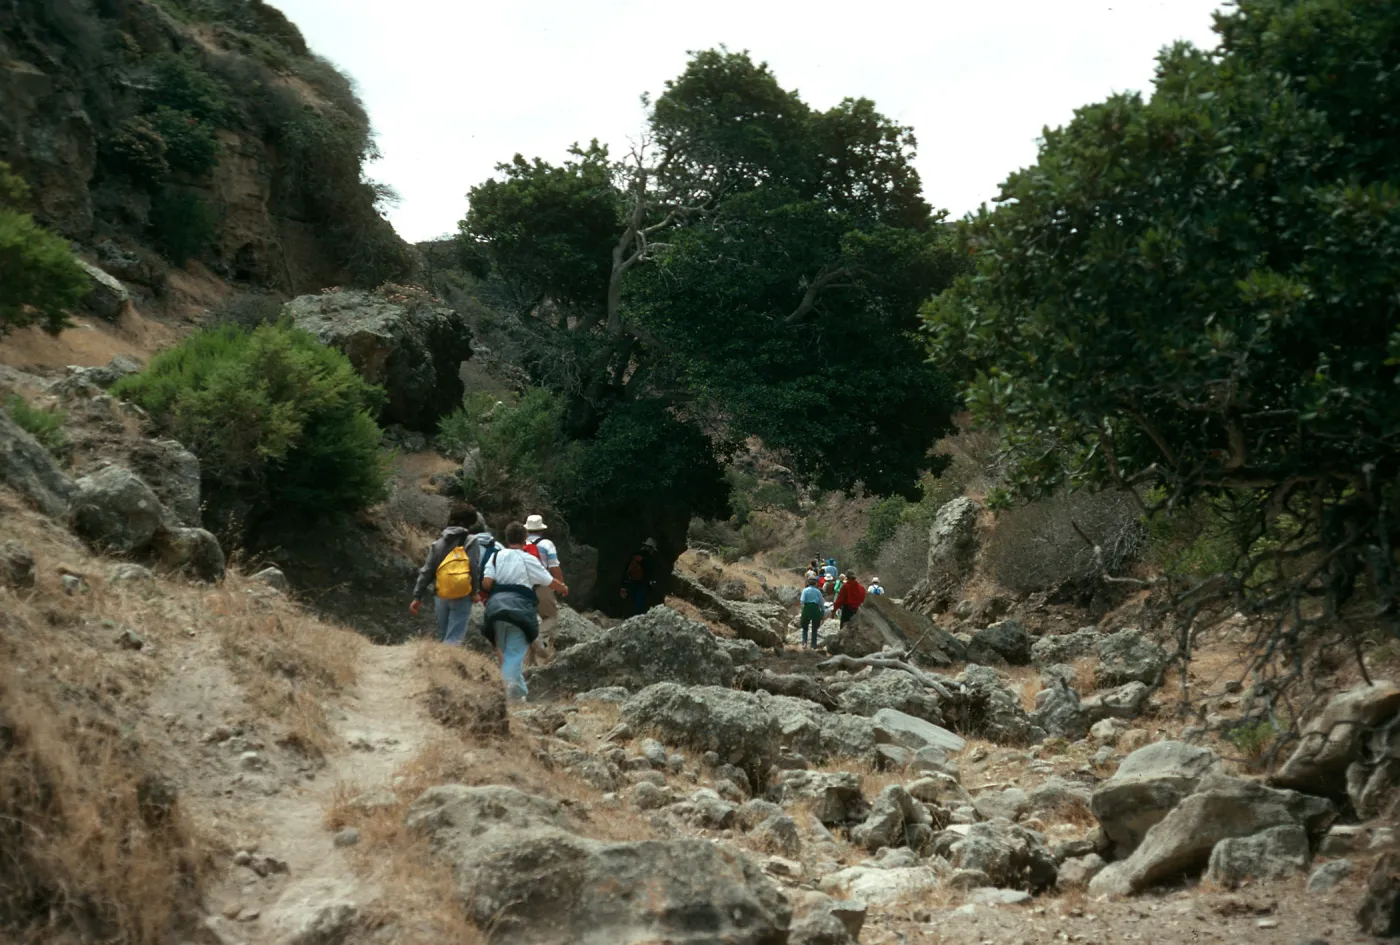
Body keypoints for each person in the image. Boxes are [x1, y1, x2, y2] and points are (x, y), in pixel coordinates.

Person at [481, 522, 567, 701]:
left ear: (507, 538)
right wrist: (562, 588)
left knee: (505, 653)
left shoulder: (496, 557)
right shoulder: (528, 559)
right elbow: (547, 580)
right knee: (514, 654)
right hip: (518, 609)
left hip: (495, 608)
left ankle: (519, 694)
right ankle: (505, 694)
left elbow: (486, 582)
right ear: (524, 539)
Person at [410, 505, 486, 646]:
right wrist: (475, 592)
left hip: (441, 593)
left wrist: (417, 596)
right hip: (462, 593)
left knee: (443, 634)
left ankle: (440, 663)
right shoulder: (471, 541)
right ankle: (447, 664)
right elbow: (474, 568)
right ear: (471, 522)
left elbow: (427, 571)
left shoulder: (438, 544)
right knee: (455, 636)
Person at [523, 513, 565, 662]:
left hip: (522, 588)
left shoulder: (520, 543)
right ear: (541, 530)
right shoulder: (547, 544)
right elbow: (554, 567)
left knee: (528, 624)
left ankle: (528, 665)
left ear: (527, 530)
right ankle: (539, 637)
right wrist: (560, 585)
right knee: (550, 617)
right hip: (542, 586)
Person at [620, 538, 658, 616]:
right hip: (642, 583)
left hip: (631, 581)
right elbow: (650, 572)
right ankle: (637, 617)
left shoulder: (635, 555)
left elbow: (627, 569)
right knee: (639, 602)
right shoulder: (649, 558)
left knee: (631, 600)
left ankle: (627, 616)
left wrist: (623, 584)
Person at [799, 575, 825, 649]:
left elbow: (802, 601)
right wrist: (822, 612)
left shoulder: (805, 590)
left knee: (804, 627)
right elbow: (821, 604)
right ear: (816, 583)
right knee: (814, 628)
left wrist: (803, 609)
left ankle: (804, 643)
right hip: (815, 609)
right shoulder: (818, 592)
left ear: (808, 583)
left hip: (807, 608)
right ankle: (813, 645)